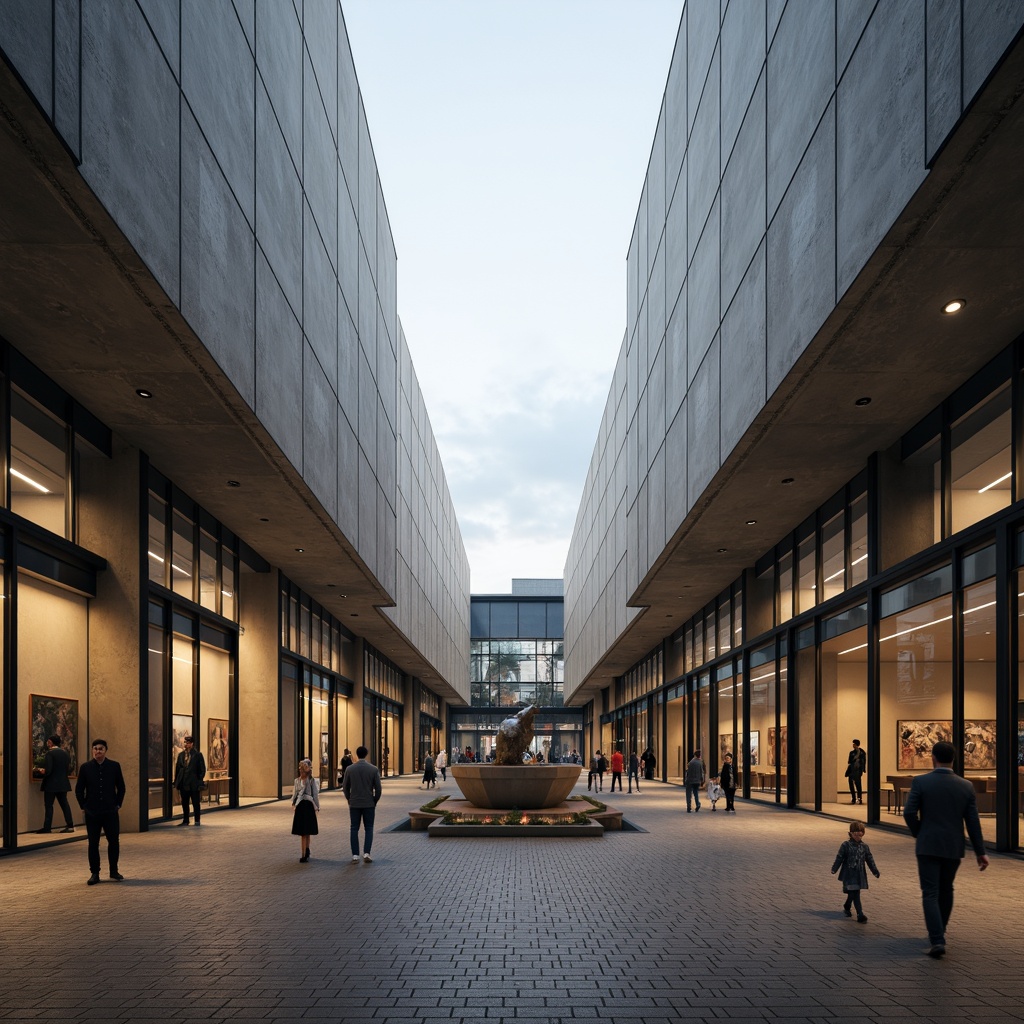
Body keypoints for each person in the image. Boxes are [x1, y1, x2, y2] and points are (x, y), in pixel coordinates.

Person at [903, 740, 989, 958]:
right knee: (947, 888)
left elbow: (909, 812)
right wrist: (981, 851)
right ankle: (941, 931)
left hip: (928, 844)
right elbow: (973, 822)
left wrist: (919, 832)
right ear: (954, 759)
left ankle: (937, 939)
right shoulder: (965, 786)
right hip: (953, 845)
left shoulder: (921, 782)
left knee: (930, 891)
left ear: (933, 757)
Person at [74, 739, 126, 885]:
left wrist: (118, 804)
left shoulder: (114, 766)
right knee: (93, 843)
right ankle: (94, 873)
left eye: (101, 749)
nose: (98, 751)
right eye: (95, 749)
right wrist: (83, 806)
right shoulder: (85, 768)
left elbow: (121, 787)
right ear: (92, 750)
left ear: (105, 750)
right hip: (92, 812)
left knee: (114, 841)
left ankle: (114, 870)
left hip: (110, 811)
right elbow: (79, 789)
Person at [830, 820, 880, 922]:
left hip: (859, 874)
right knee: (855, 893)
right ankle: (860, 914)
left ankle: (847, 905)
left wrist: (875, 871)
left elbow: (869, 859)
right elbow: (840, 857)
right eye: (856, 833)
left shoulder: (864, 847)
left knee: (854, 892)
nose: (858, 835)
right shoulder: (846, 845)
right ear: (851, 833)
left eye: (860, 833)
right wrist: (834, 868)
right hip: (849, 873)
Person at [343, 745, 382, 863]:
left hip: (354, 803)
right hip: (368, 803)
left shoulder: (349, 769)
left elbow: (345, 787)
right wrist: (374, 800)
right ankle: (366, 853)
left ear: (357, 754)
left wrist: (349, 799)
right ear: (366, 754)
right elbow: (378, 789)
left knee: (354, 828)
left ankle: (355, 855)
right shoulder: (373, 769)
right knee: (369, 828)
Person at [34, 735, 75, 833]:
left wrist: (40, 770)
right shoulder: (65, 753)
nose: (47, 743)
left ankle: (47, 827)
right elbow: (68, 769)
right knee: (64, 804)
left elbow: (48, 770)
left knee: (49, 805)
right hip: (63, 783)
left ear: (51, 742)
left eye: (48, 741)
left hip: (51, 784)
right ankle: (70, 826)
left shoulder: (50, 754)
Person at [173, 734, 206, 826]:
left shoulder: (198, 755)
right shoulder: (181, 755)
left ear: (192, 744)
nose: (186, 744)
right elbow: (178, 769)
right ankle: (186, 820)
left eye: (188, 743)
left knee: (195, 803)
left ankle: (197, 820)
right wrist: (177, 781)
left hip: (193, 783)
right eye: (185, 743)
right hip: (184, 783)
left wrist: (198, 780)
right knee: (185, 803)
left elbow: (202, 769)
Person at [290, 758, 319, 862]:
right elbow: (295, 793)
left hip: (308, 805)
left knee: (307, 831)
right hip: (301, 807)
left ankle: (306, 850)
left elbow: (315, 793)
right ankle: (304, 853)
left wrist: (317, 806)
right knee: (303, 832)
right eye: (300, 769)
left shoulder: (311, 781)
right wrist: (293, 804)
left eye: (303, 769)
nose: (301, 771)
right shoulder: (296, 781)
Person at [845, 739, 866, 805]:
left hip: (858, 771)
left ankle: (859, 798)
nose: (853, 745)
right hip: (852, 770)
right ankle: (853, 798)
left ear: (856, 744)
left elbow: (864, 762)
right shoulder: (852, 753)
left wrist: (863, 770)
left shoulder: (862, 752)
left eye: (854, 744)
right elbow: (849, 761)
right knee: (851, 784)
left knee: (858, 785)